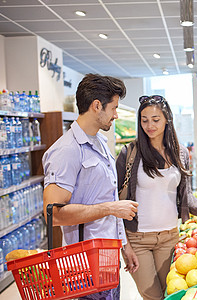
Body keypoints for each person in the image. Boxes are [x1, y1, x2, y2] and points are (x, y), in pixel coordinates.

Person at [42, 74, 139, 300]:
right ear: (97, 106)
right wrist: (110, 208)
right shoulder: (66, 151)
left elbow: (108, 197)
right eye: (113, 108)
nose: (116, 114)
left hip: (108, 259)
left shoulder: (101, 143)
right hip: (84, 266)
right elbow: (52, 214)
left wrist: (124, 247)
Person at [116, 95, 197, 300]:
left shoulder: (180, 153)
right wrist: (124, 244)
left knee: (173, 293)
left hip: (170, 237)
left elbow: (186, 196)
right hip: (138, 239)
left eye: (155, 119)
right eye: (144, 120)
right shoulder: (130, 153)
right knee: (151, 295)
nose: (149, 125)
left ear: (167, 120)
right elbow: (115, 201)